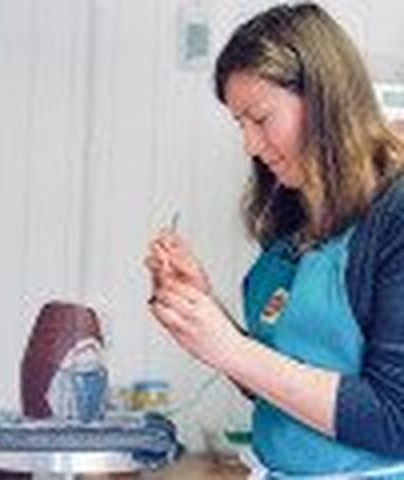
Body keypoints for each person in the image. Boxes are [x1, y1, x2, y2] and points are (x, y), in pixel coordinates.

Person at [145, 2, 404, 477]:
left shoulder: (396, 217)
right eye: (239, 124)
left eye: (260, 119)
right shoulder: (293, 219)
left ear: (326, 101)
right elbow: (275, 383)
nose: (249, 145)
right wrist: (207, 311)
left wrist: (228, 348)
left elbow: (395, 419)